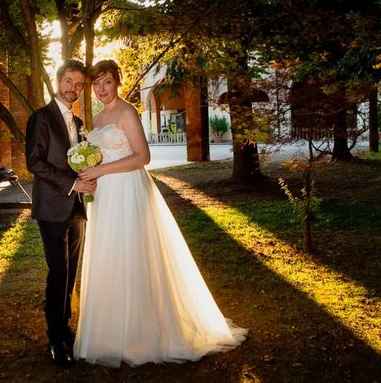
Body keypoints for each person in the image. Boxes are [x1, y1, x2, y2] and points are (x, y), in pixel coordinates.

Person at [74, 59, 247, 367]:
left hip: (128, 191)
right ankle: (110, 334)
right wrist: (90, 173)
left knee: (133, 256)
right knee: (110, 257)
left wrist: (100, 169)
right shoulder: (98, 119)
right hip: (105, 196)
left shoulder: (127, 112)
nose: (101, 89)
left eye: (107, 82)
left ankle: (141, 335)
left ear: (117, 82)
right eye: (96, 84)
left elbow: (143, 157)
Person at [25, 59, 96, 368]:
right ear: (57, 82)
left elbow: (79, 161)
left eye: (79, 84)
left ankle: (65, 327)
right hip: (52, 207)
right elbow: (35, 162)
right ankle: (55, 338)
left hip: (77, 209)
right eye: (69, 81)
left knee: (71, 272)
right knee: (58, 273)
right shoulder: (41, 118)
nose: (74, 89)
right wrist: (72, 183)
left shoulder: (78, 124)